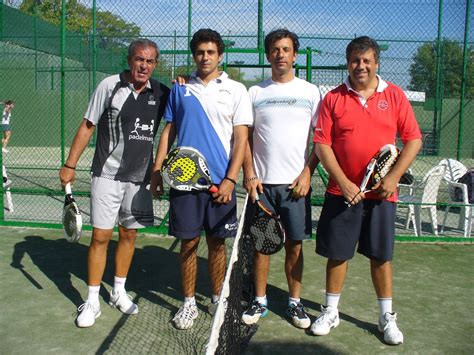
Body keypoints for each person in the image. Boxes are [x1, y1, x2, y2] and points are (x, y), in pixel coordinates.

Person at [311, 36, 422, 345]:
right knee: (338, 255)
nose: (361, 66)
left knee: (380, 258)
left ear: (376, 63)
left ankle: (386, 317)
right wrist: (344, 182)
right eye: (355, 60)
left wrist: (393, 178)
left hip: (382, 197)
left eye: (366, 61)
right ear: (348, 63)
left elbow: (413, 140)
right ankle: (330, 311)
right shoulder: (333, 98)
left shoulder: (395, 96)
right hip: (341, 193)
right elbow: (321, 144)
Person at [59, 39, 170, 328]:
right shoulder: (109, 86)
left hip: (141, 180)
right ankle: (92, 299)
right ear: (130, 60)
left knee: (129, 236)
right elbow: (87, 126)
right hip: (106, 176)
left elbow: (184, 107)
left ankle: (118, 291)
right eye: (138, 59)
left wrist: (182, 84)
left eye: (149, 61)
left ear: (155, 64)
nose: (143, 65)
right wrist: (69, 165)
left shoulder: (162, 93)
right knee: (100, 237)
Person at [150, 28, 251, 330]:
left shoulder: (237, 90)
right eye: (200, 52)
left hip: (222, 182)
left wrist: (232, 179)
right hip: (185, 181)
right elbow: (169, 131)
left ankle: (218, 297)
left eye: (211, 52)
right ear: (194, 55)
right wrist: (157, 170)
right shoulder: (180, 89)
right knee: (189, 243)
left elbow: (241, 138)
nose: (205, 57)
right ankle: (189, 302)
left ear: (220, 55)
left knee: (217, 243)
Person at [241, 29, 321, 329]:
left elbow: (321, 140)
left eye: (286, 49)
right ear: (268, 55)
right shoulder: (255, 92)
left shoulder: (310, 92)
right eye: (275, 49)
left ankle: (294, 302)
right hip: (262, 186)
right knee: (262, 246)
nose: (280, 54)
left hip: (296, 187)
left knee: (295, 247)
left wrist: (307, 172)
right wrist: (249, 174)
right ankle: (259, 300)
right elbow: (244, 139)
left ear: (294, 55)